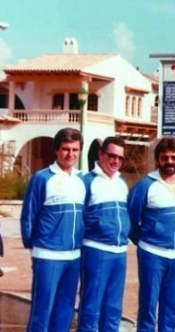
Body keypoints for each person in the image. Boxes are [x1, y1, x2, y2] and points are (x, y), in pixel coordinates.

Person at [20, 127, 86, 332]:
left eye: (75, 150)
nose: (71, 154)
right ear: (56, 150)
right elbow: (28, 215)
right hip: (47, 254)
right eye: (66, 149)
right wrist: (34, 247)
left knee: (65, 311)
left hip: (73, 256)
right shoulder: (42, 178)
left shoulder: (81, 180)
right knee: (42, 312)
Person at [128, 137, 175, 332]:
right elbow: (131, 218)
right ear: (158, 160)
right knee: (148, 305)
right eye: (165, 158)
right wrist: (146, 241)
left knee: (171, 306)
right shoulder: (145, 185)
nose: (170, 162)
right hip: (152, 254)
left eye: (174, 157)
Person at [78, 137, 130, 332]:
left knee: (113, 309)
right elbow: (79, 218)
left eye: (120, 158)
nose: (115, 161)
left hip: (120, 252)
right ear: (101, 154)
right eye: (111, 156)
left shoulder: (121, 183)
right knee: (91, 308)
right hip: (96, 250)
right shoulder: (87, 182)